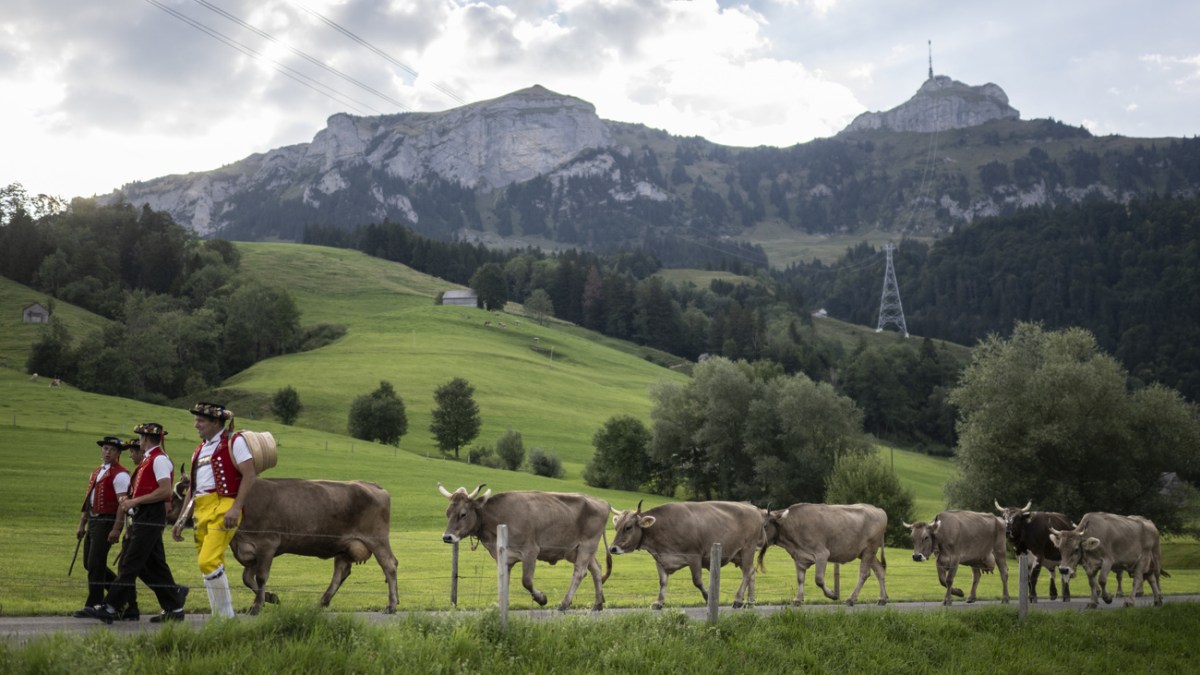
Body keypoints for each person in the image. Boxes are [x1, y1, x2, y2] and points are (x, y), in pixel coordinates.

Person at [83, 423, 188, 624]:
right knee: (154, 565)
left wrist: (135, 501)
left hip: (150, 515)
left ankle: (110, 606)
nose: (139, 441)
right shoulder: (150, 459)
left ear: (145, 438)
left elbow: (164, 491)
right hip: (145, 514)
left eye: (140, 438)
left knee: (130, 562)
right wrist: (130, 501)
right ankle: (174, 605)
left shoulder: (159, 459)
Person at [172, 402, 257, 618]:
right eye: (196, 420)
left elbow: (250, 474)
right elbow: (193, 488)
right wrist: (181, 519)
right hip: (201, 508)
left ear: (216, 422)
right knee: (209, 563)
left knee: (207, 561)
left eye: (201, 420)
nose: (196, 425)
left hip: (224, 504)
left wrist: (236, 507)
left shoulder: (234, 442)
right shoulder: (199, 450)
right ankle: (219, 616)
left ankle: (226, 617)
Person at [72, 436, 135, 619]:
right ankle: (123, 595)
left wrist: (116, 528)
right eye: (105, 448)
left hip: (107, 521)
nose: (108, 452)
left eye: (112, 450)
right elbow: (88, 500)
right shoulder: (97, 472)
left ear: (118, 453)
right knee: (89, 563)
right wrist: (82, 523)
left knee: (95, 564)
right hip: (93, 520)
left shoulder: (120, 474)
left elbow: (122, 504)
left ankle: (93, 604)